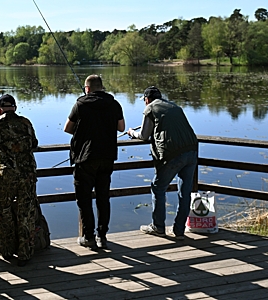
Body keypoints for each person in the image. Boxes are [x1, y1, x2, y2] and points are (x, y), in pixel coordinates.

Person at [128, 86, 198, 240]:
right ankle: (179, 230)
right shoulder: (174, 107)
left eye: (144, 101)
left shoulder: (150, 109)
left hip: (173, 154)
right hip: (192, 151)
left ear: (147, 99)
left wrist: (132, 132)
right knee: (184, 192)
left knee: (158, 188)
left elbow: (144, 135)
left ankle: (158, 227)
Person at [64, 75, 125, 250]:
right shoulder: (114, 104)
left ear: (87, 88)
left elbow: (67, 128)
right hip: (106, 157)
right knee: (103, 198)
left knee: (84, 200)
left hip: (85, 158)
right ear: (102, 87)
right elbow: (121, 127)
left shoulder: (80, 104)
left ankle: (88, 236)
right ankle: (102, 236)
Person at [0, 94, 38, 267]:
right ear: (15, 107)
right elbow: (34, 143)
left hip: (5, 175)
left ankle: (7, 251)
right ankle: (25, 254)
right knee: (26, 213)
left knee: (4, 211)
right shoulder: (25, 122)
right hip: (27, 175)